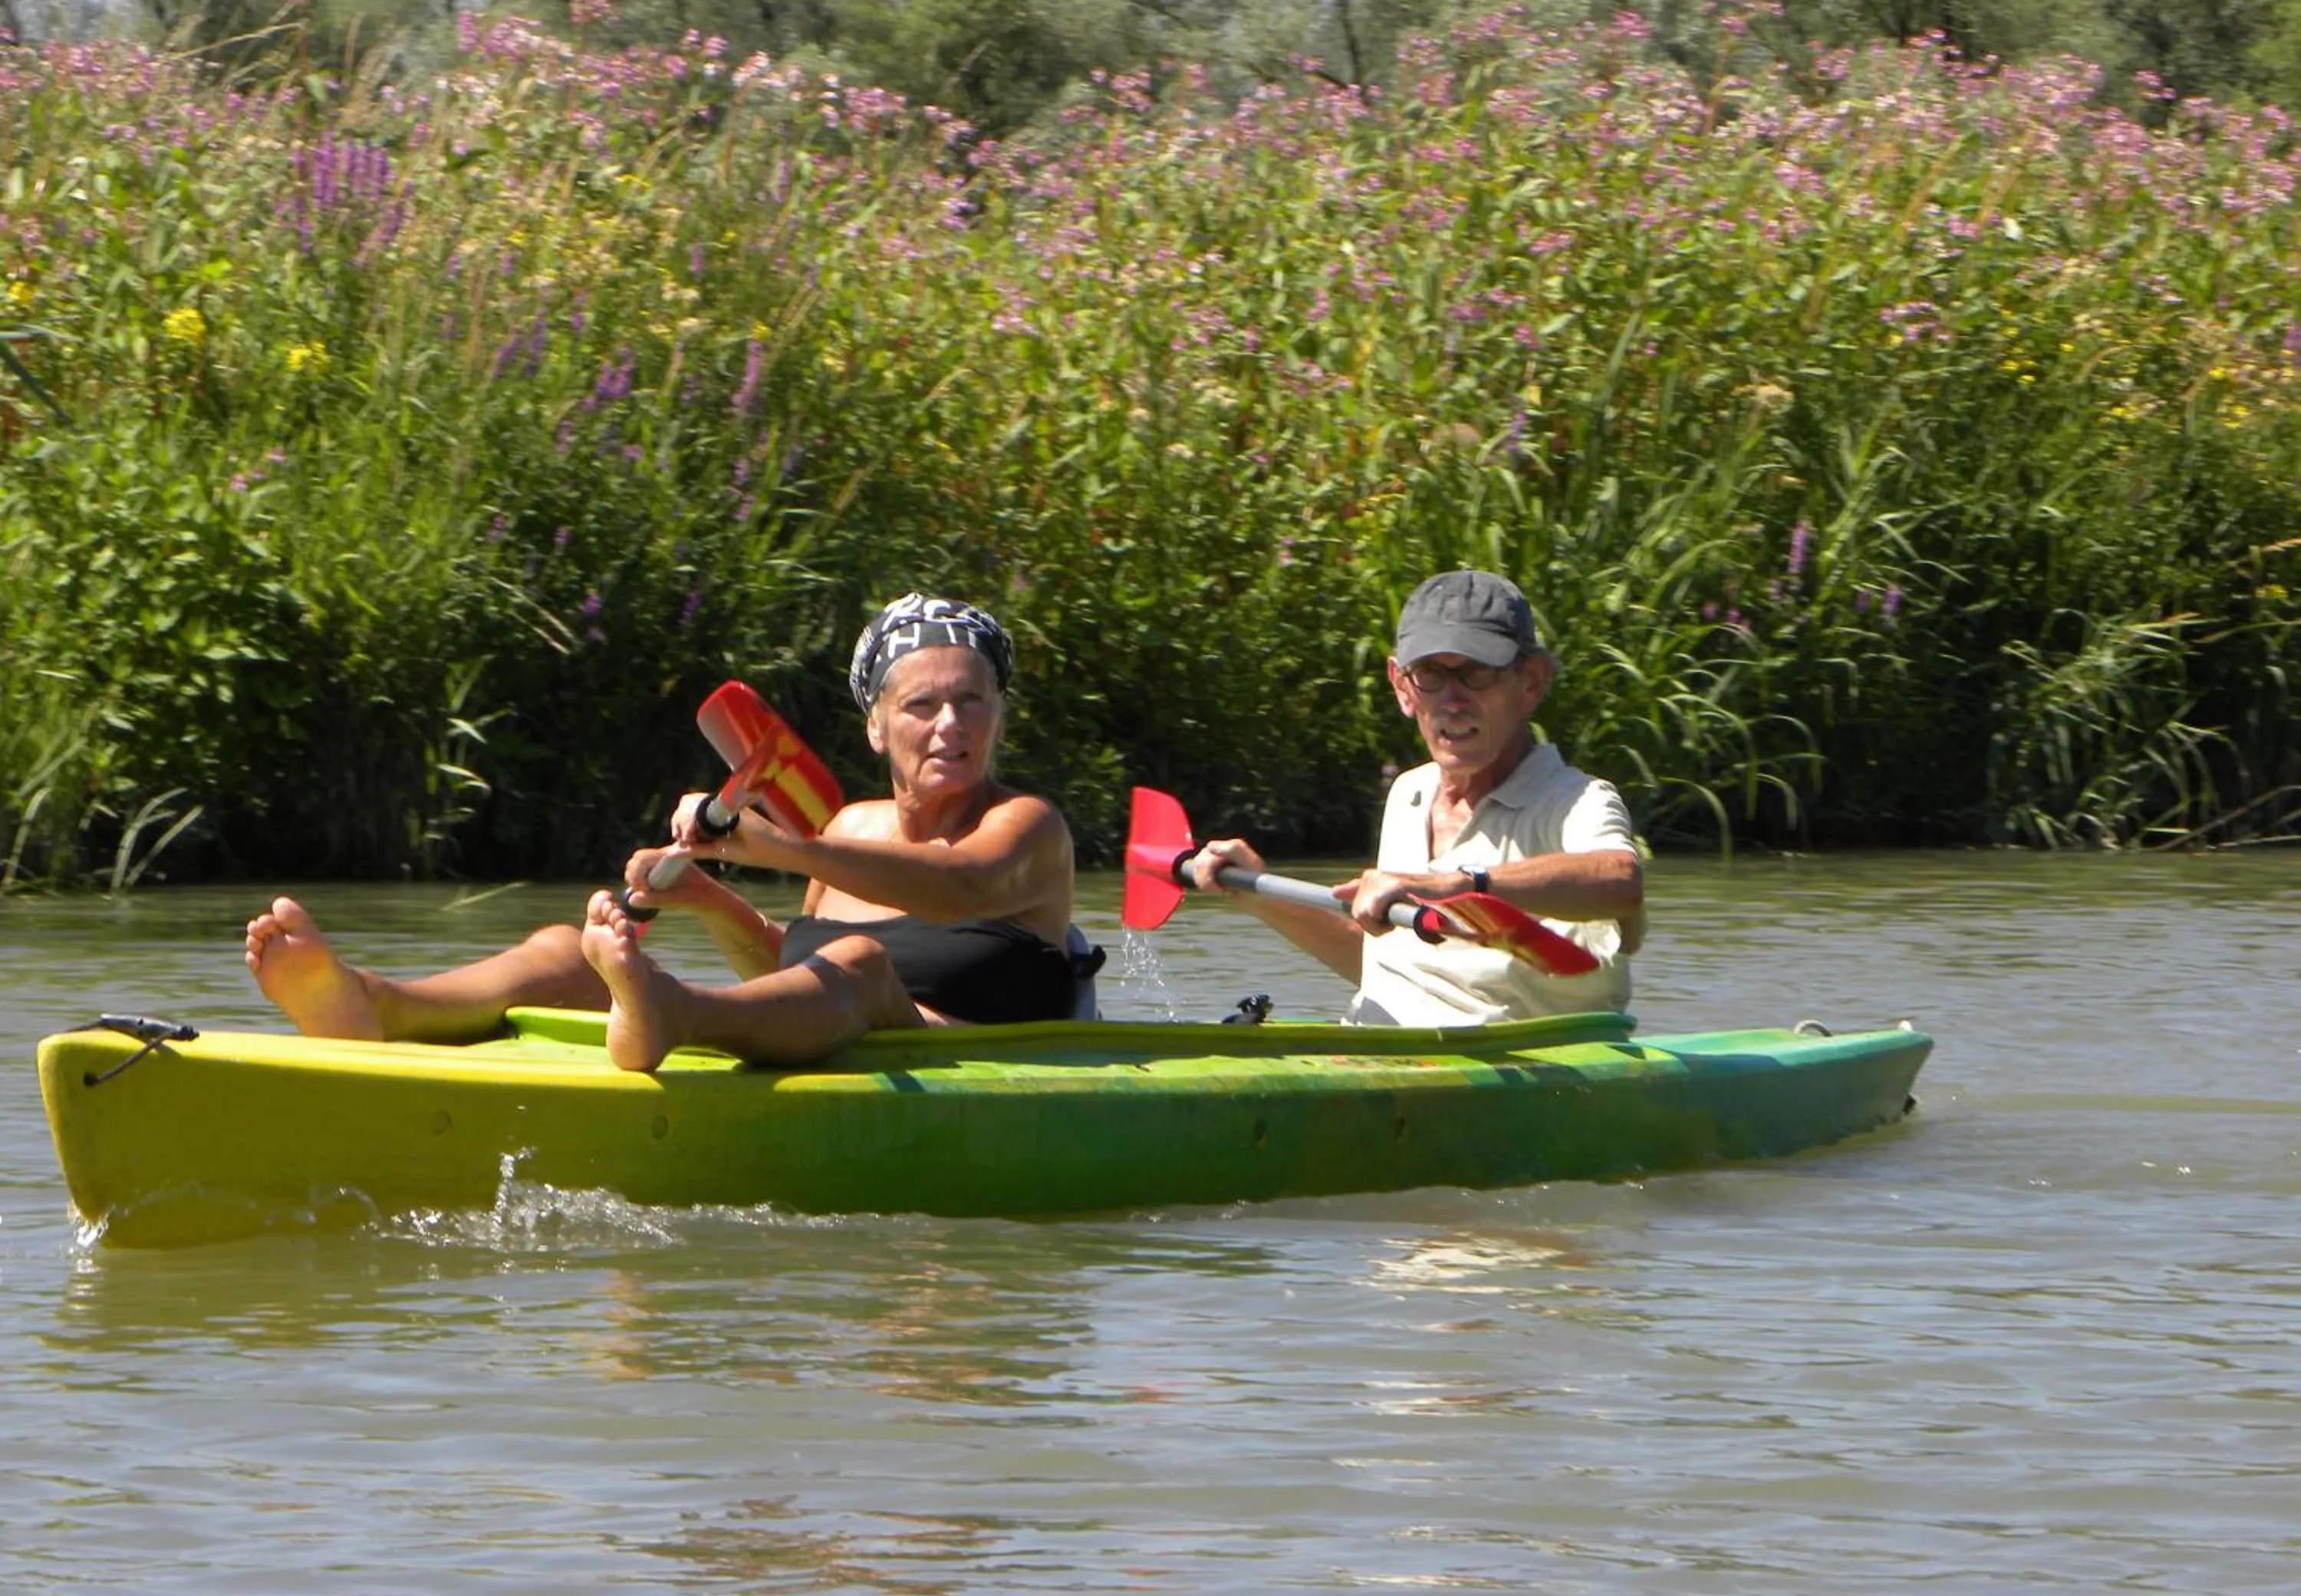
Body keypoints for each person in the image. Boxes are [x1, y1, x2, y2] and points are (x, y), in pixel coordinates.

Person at [243, 594, 1078, 1073]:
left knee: (857, 961)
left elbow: (958, 888)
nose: (948, 725)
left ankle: (668, 1012)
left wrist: (782, 848)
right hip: (833, 1023)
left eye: (972, 701)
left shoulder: (1027, 826)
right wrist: (711, 897)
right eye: (921, 705)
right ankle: (376, 1003)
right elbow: (789, 966)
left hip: (956, 1056)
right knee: (568, 949)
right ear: (875, 727)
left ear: (999, 717)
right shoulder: (849, 827)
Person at [1182, 569, 1644, 1025]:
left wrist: (1461, 885)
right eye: (1430, 675)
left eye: (1477, 673)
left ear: (1532, 682)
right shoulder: (1409, 792)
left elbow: (1621, 882)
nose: (1453, 701)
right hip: (1379, 1060)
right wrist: (1260, 893)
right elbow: (1388, 972)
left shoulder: (1577, 800)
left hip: (1513, 1075)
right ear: (1402, 687)